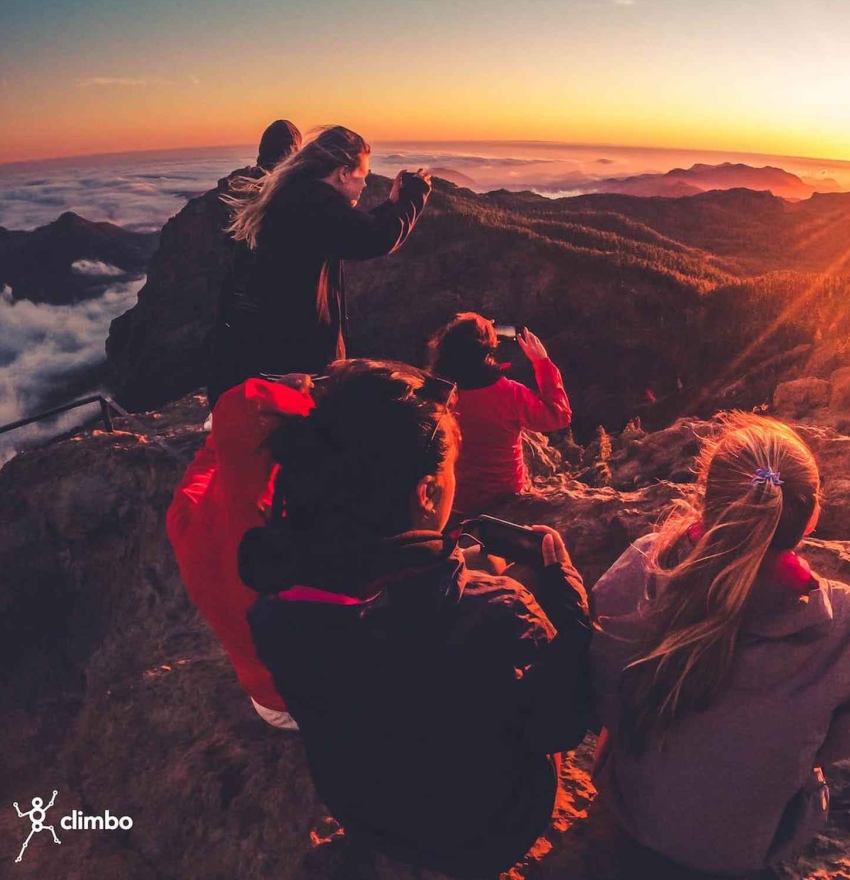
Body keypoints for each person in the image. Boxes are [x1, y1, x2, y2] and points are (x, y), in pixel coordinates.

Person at [238, 359, 592, 878]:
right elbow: (560, 725)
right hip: (484, 836)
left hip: (364, 814)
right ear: (426, 492)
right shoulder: (496, 611)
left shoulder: (276, 608)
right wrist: (566, 595)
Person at [588, 412, 850, 876]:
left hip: (629, 814)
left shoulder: (645, 564)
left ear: (705, 500)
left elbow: (600, 688)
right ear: (811, 518)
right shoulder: (841, 619)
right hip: (740, 851)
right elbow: (835, 747)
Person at [208, 126, 433, 406]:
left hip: (269, 348)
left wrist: (391, 205)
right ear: (342, 172)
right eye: (362, 175)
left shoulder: (299, 197)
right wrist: (415, 195)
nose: (365, 185)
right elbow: (374, 238)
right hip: (290, 356)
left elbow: (353, 230)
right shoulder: (313, 204)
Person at [167, 374, 317, 729]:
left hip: (265, 701)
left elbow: (205, 468)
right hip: (315, 699)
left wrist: (224, 436)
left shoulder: (185, 519)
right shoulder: (296, 534)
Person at [426, 314, 572, 514]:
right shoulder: (509, 394)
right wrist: (542, 362)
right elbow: (559, 415)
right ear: (488, 349)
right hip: (503, 498)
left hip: (453, 499)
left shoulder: (435, 392)